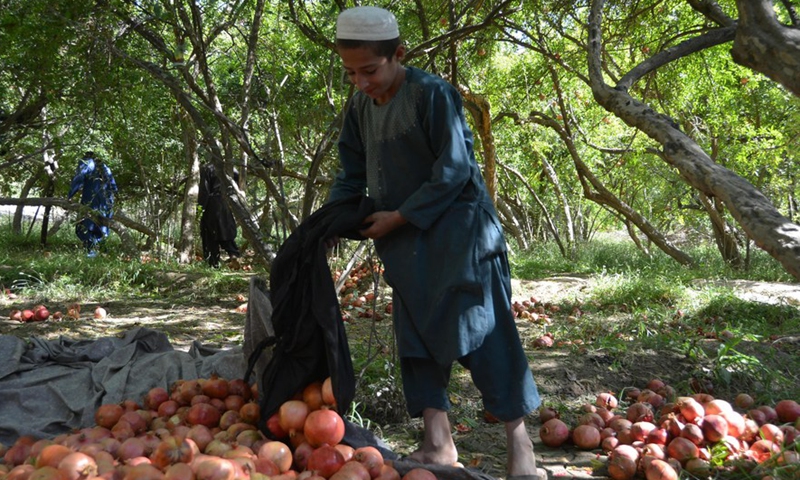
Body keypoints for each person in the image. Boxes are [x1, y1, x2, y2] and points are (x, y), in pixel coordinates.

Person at [326, 6, 545, 480]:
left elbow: (455, 170)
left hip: (459, 236)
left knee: (485, 332)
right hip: (405, 244)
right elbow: (350, 174)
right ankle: (438, 444)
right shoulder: (360, 107)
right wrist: (328, 221)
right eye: (350, 73)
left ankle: (520, 445)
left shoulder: (432, 94)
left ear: (398, 54)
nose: (360, 82)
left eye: (369, 70)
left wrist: (400, 215)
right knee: (417, 337)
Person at [68, 151, 118, 257]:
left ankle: (91, 253)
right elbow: (113, 186)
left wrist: (70, 195)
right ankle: (102, 252)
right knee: (101, 227)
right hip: (107, 202)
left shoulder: (86, 163)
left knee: (84, 227)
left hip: (92, 200)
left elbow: (79, 179)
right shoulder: (105, 167)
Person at [198, 162, 241, 268]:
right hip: (225, 202)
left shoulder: (208, 168)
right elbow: (238, 185)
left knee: (209, 233)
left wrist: (200, 208)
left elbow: (204, 190)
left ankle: (213, 263)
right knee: (225, 232)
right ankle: (233, 254)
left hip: (211, 203)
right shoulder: (231, 168)